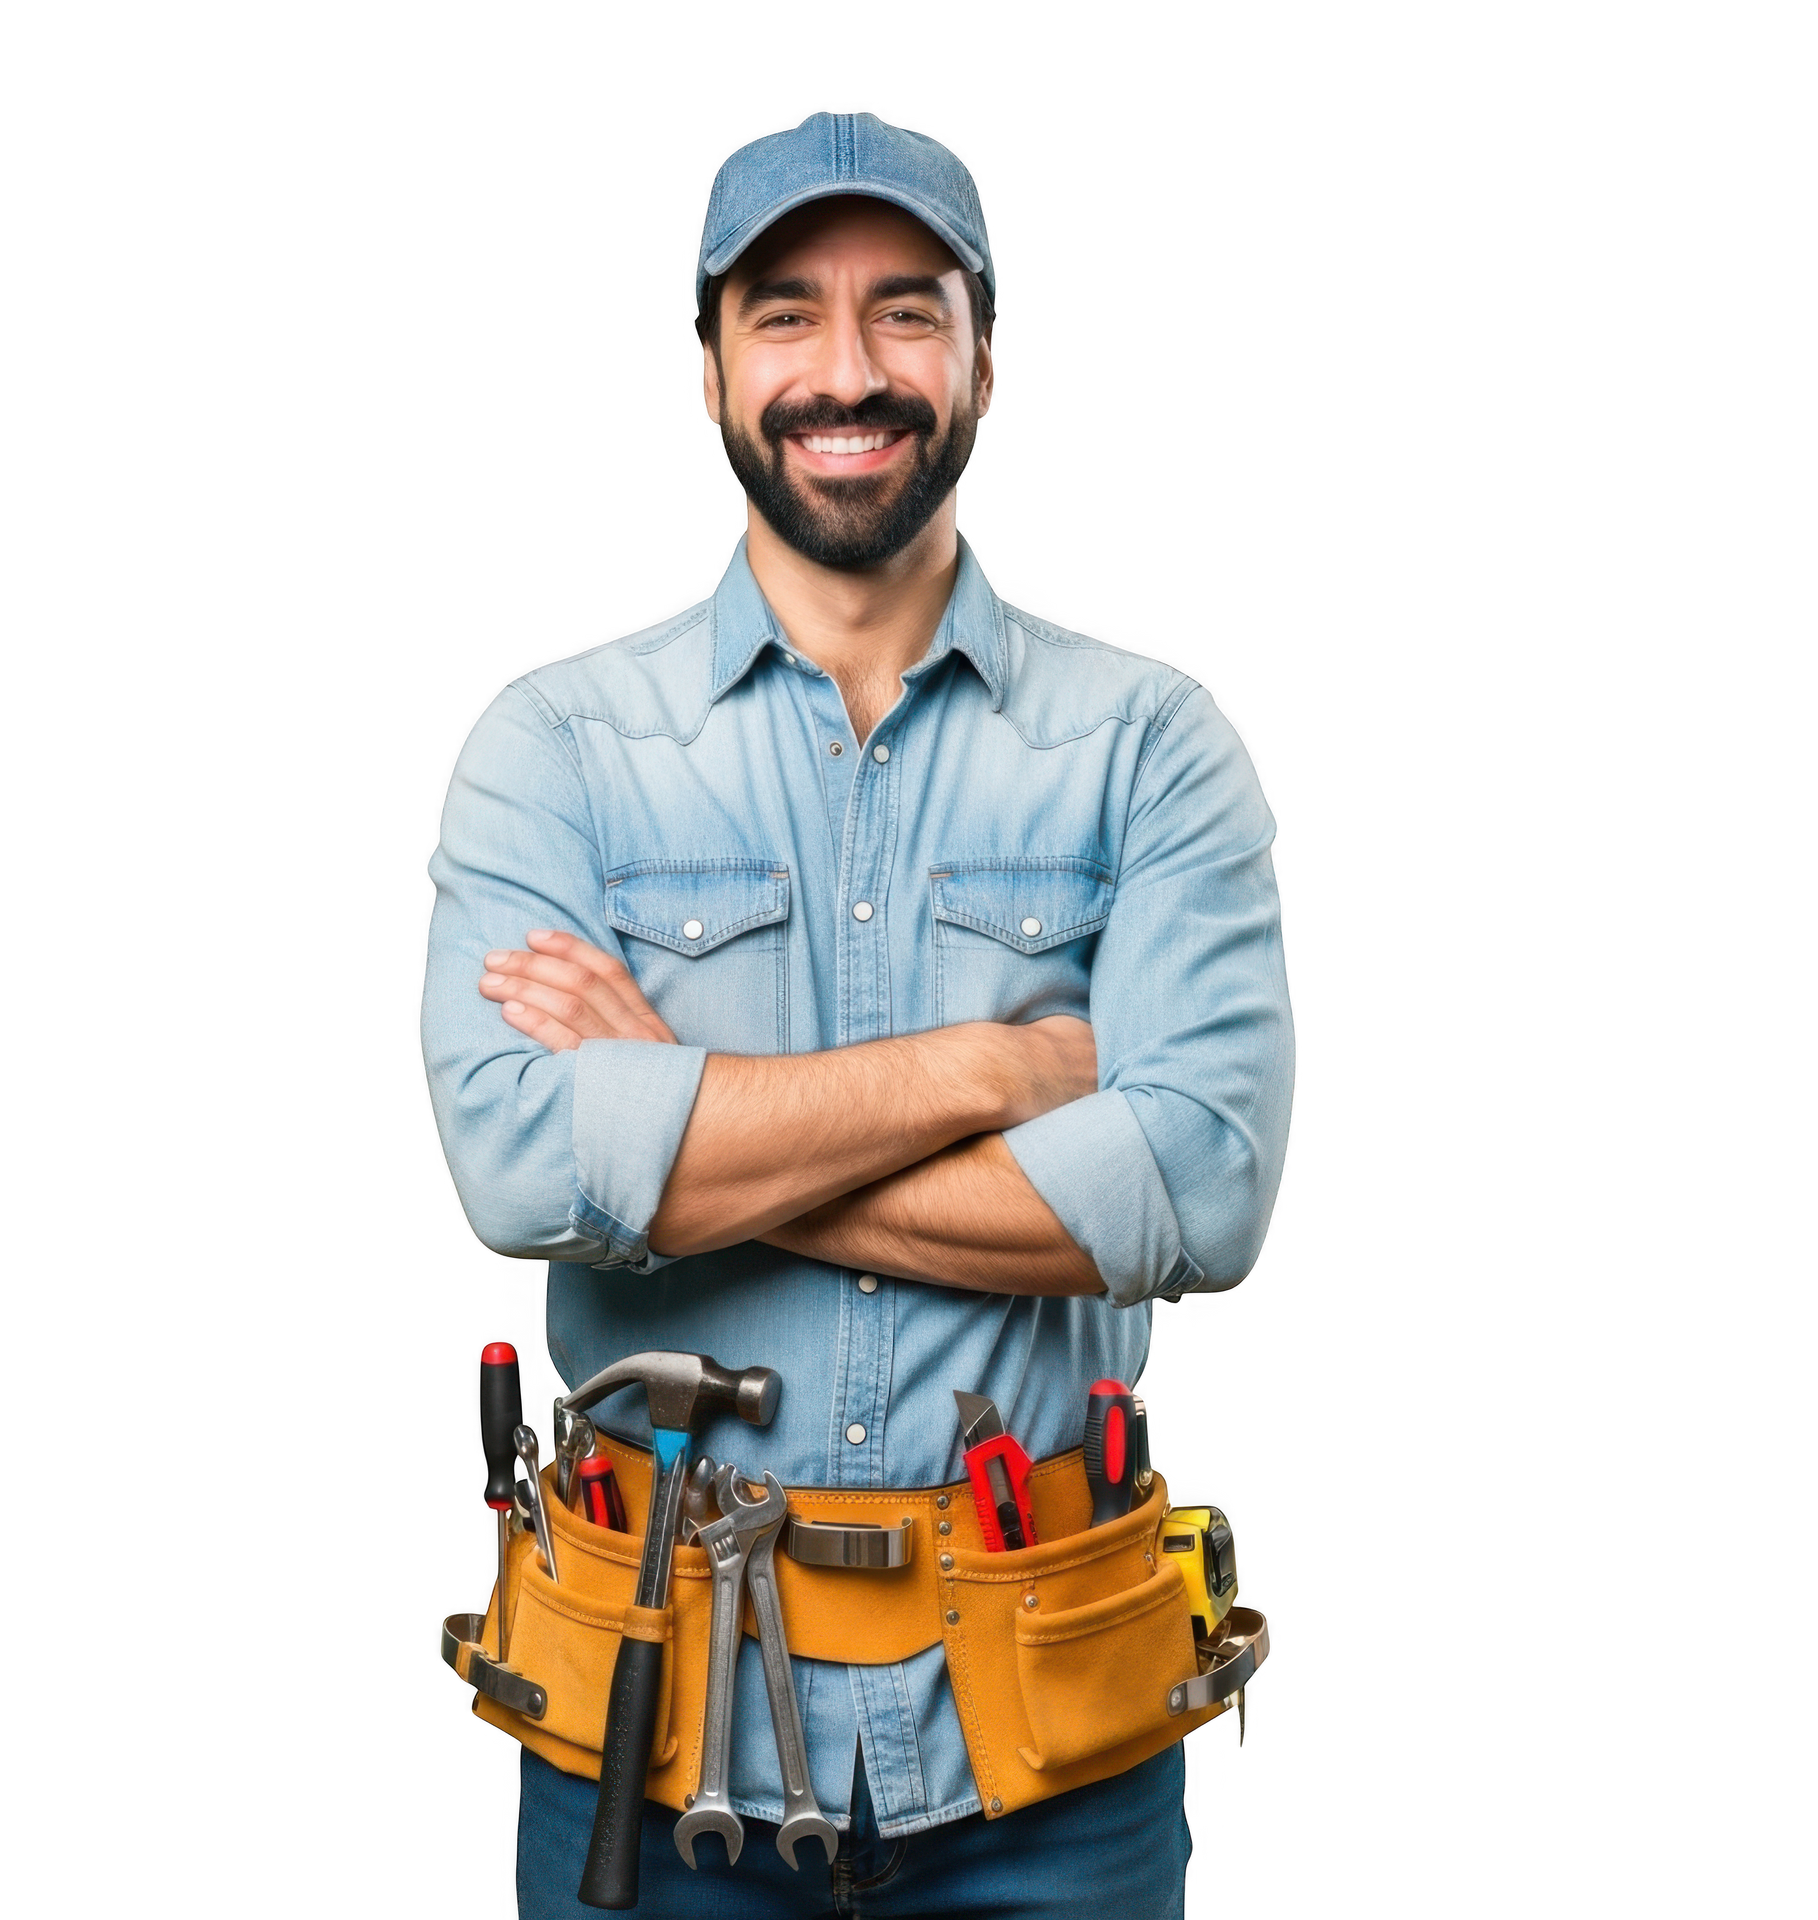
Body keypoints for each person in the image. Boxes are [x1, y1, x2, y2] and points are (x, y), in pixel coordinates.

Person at [421, 110, 1296, 1919]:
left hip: (1056, 1755)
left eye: (907, 310)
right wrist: (1000, 1071)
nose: (847, 370)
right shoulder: (552, 747)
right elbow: (518, 1171)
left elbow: (1199, 1197)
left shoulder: (1153, 747)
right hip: (649, 1743)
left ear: (986, 363)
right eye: (784, 314)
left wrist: (677, 1127)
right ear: (710, 373)